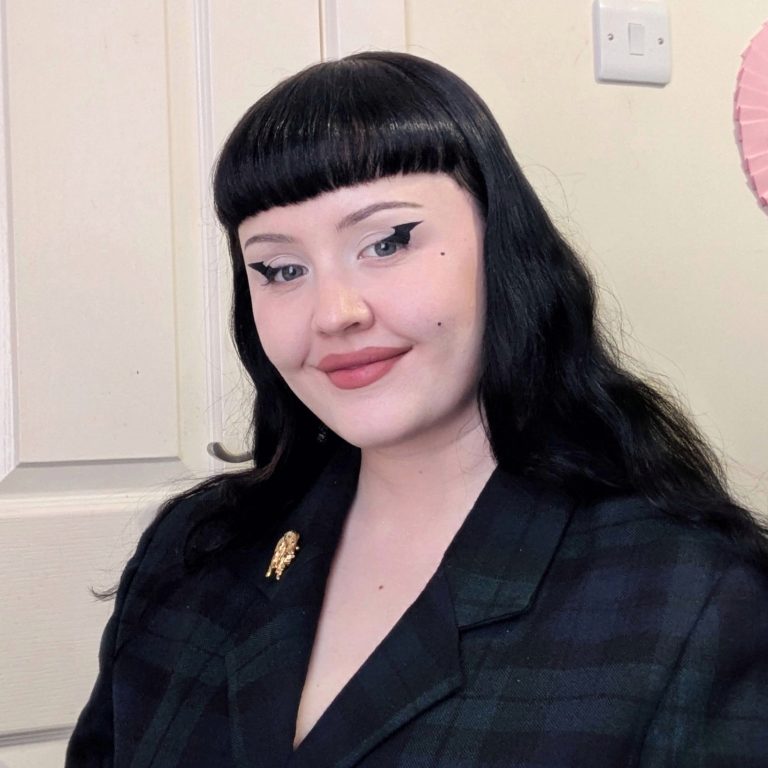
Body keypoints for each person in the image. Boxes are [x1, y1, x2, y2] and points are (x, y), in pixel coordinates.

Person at [66, 51, 768, 768]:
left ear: (502, 245)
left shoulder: (688, 599)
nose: (334, 313)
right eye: (280, 270)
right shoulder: (195, 548)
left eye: (387, 242)